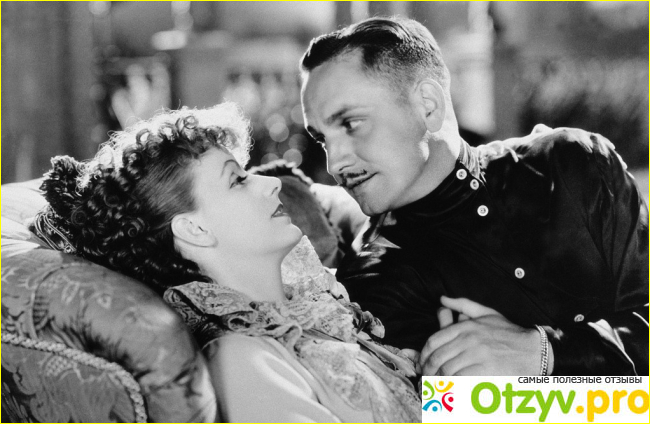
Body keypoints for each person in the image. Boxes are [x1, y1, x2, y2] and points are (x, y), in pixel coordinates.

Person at [300, 16, 648, 376]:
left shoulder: (572, 163)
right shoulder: (377, 286)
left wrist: (547, 354)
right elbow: (443, 406)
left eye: (351, 124)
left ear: (428, 104)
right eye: (322, 139)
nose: (334, 163)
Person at [30, 104, 421, 422]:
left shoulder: (319, 312)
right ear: (194, 229)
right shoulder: (244, 360)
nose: (271, 183)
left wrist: (459, 380)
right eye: (238, 180)